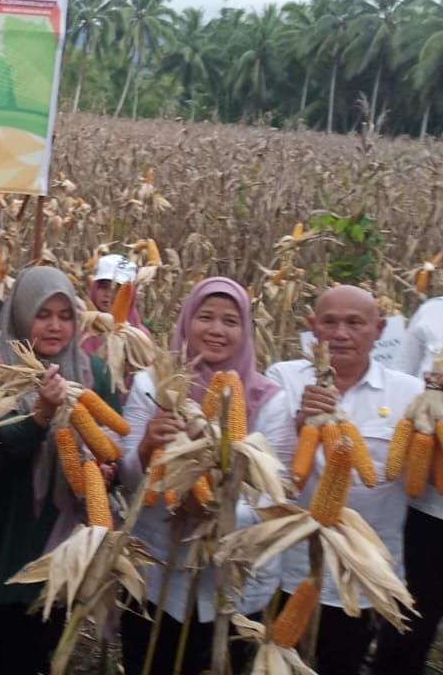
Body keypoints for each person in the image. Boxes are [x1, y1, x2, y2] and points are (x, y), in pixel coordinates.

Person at [119, 277, 295, 675]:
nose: (216, 330)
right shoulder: (153, 385)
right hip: (154, 574)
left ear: (245, 330)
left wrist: (212, 511)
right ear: (187, 320)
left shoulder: (269, 401)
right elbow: (129, 480)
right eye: (205, 317)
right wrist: (147, 447)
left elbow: (276, 500)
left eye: (230, 321)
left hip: (232, 588)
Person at [0, 267, 123, 675]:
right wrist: (41, 416)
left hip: (62, 529)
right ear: (21, 313)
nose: (55, 326)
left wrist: (108, 470)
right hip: (3, 523)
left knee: (46, 638)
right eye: (43, 314)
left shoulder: (95, 373)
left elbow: (114, 447)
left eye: (65, 315)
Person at [266, 286, 421, 675]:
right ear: (312, 327)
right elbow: (264, 471)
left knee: (343, 664)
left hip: (363, 574)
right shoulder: (282, 379)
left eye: (355, 323)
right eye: (330, 322)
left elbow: (425, 477)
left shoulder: (410, 393)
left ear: (379, 329)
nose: (341, 333)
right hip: (288, 565)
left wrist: (442, 418)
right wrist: (299, 424)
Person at [372, 295, 443, 675]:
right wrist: (435, 400)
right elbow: (397, 392)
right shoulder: (436, 313)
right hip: (429, 510)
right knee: (407, 629)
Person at [81, 254, 147, 358]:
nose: (109, 294)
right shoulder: (78, 331)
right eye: (104, 287)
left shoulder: (142, 338)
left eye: (118, 289)